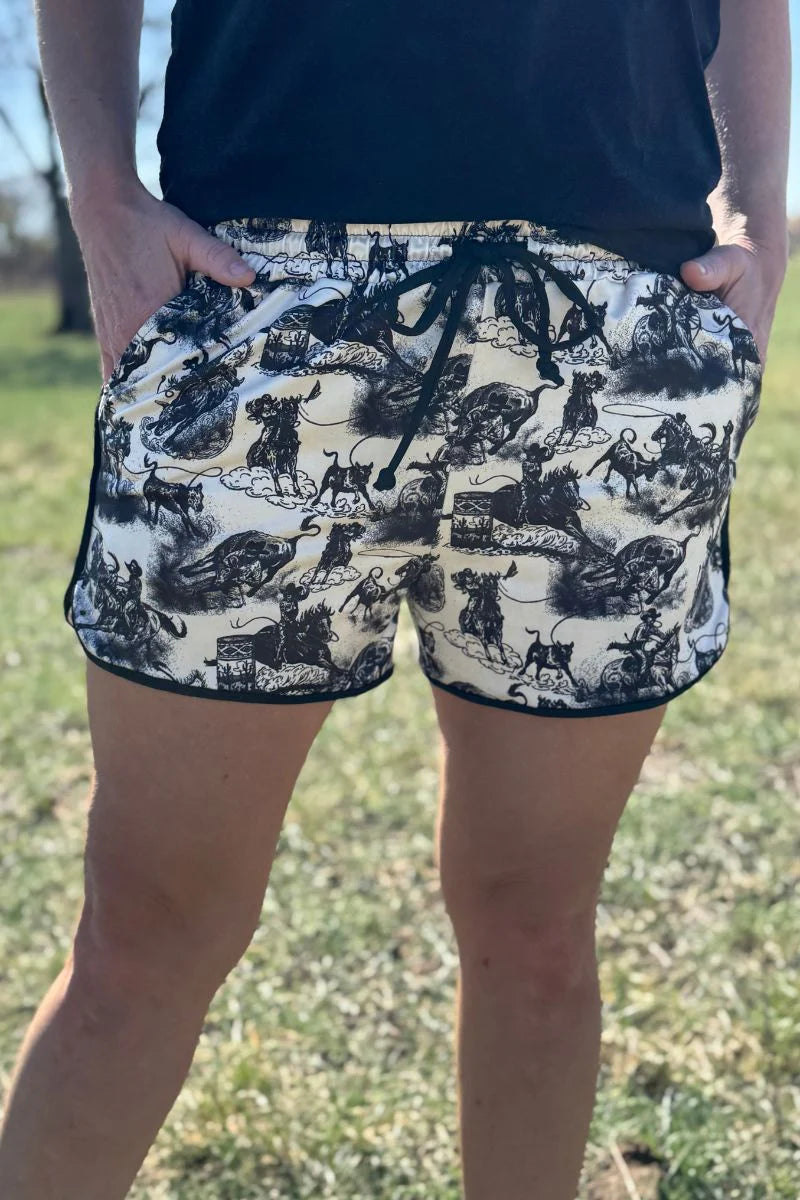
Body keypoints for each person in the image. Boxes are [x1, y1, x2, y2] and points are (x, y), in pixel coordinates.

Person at [0, 1, 790, 1196]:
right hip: (267, 306)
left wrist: (758, 212)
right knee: (146, 934)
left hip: (615, 329)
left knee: (538, 932)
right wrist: (103, 189)